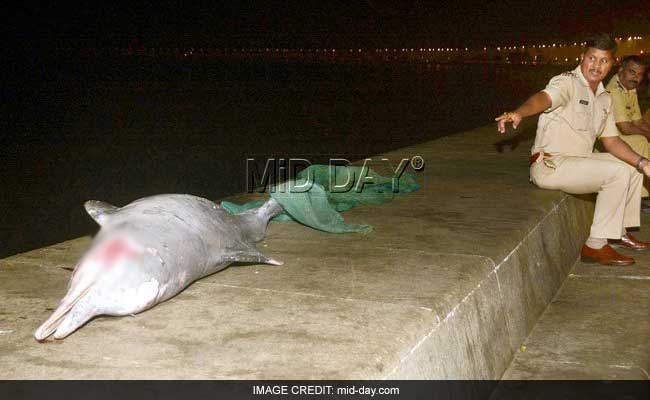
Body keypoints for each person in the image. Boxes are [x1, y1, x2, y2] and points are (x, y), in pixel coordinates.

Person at [496, 34, 650, 266]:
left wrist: (643, 163)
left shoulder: (604, 97)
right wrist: (519, 113)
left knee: (632, 166)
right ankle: (595, 245)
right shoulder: (566, 82)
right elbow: (544, 98)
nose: (596, 66)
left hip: (579, 161)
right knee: (616, 173)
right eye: (592, 58)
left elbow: (611, 141)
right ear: (582, 58)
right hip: (551, 165)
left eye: (603, 61)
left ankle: (618, 232)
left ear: (611, 65)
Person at [605, 55, 650, 208]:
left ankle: (644, 193)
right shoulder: (614, 90)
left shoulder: (629, 88)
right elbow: (625, 127)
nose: (636, 78)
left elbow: (638, 121)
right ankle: (640, 198)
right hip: (607, 140)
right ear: (621, 70)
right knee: (641, 141)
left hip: (620, 136)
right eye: (632, 72)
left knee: (644, 138)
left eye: (639, 75)